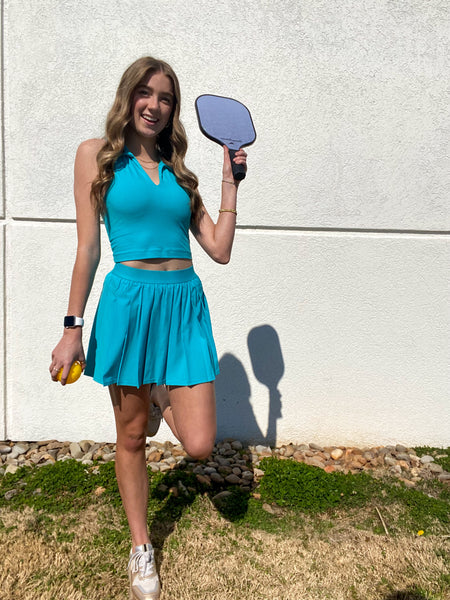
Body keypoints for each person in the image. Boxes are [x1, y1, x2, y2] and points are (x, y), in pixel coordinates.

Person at [49, 56, 247, 600]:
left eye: (165, 98)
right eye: (145, 92)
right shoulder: (96, 156)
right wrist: (72, 327)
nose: (154, 105)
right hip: (129, 304)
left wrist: (230, 182)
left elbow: (219, 249)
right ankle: (141, 546)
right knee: (133, 436)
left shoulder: (180, 174)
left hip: (183, 306)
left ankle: (161, 392)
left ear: (173, 110)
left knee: (200, 444)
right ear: (128, 96)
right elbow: (88, 249)